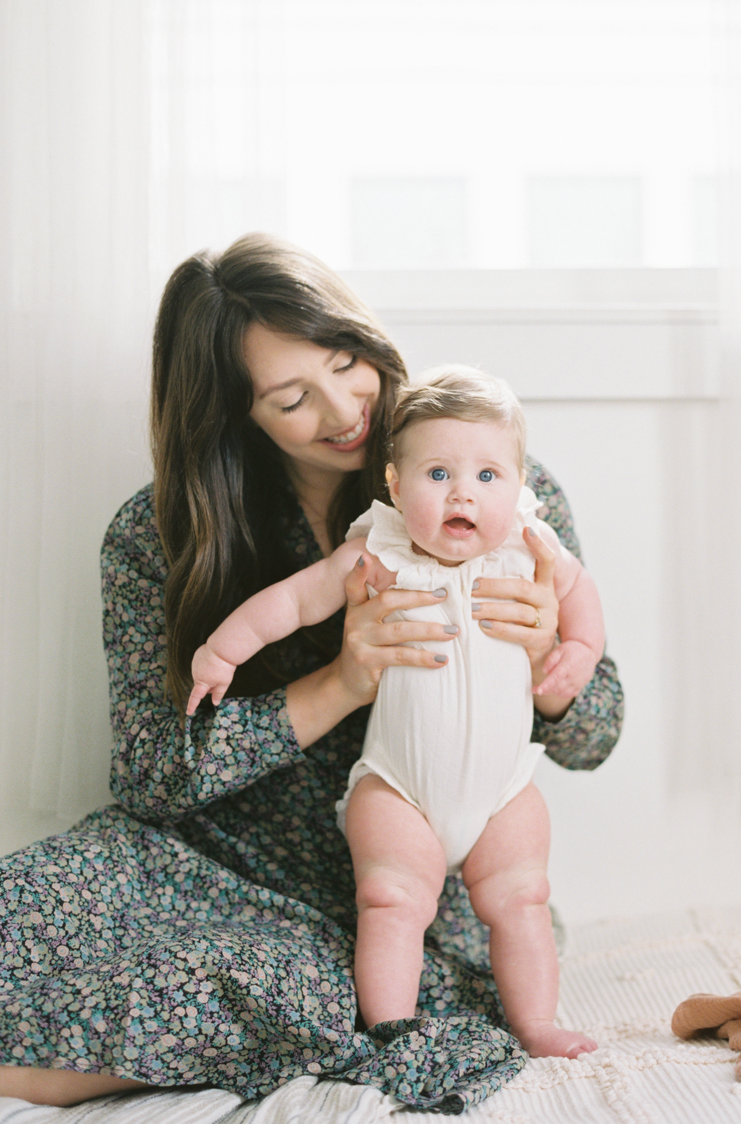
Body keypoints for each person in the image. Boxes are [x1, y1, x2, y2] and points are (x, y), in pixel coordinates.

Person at [0, 235, 624, 1111]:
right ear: (234, 414)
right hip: (205, 854)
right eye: (293, 398)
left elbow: (594, 737)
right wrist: (341, 684)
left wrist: (552, 654)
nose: (343, 410)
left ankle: (31, 1077)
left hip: (402, 890)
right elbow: (148, 774)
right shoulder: (160, 536)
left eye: (347, 361)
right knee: (15, 910)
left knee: (290, 988)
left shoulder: (490, 479)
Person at [187, 366, 604, 1059]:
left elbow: (580, 590)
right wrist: (221, 650)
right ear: (393, 485)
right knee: (390, 901)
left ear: (520, 482)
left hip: (503, 791)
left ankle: (537, 1024)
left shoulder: (528, 545)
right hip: (399, 788)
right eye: (437, 474)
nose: (463, 491)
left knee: (524, 898)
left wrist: (579, 651)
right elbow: (294, 602)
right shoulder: (377, 550)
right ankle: (391, 1030)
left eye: (488, 477)